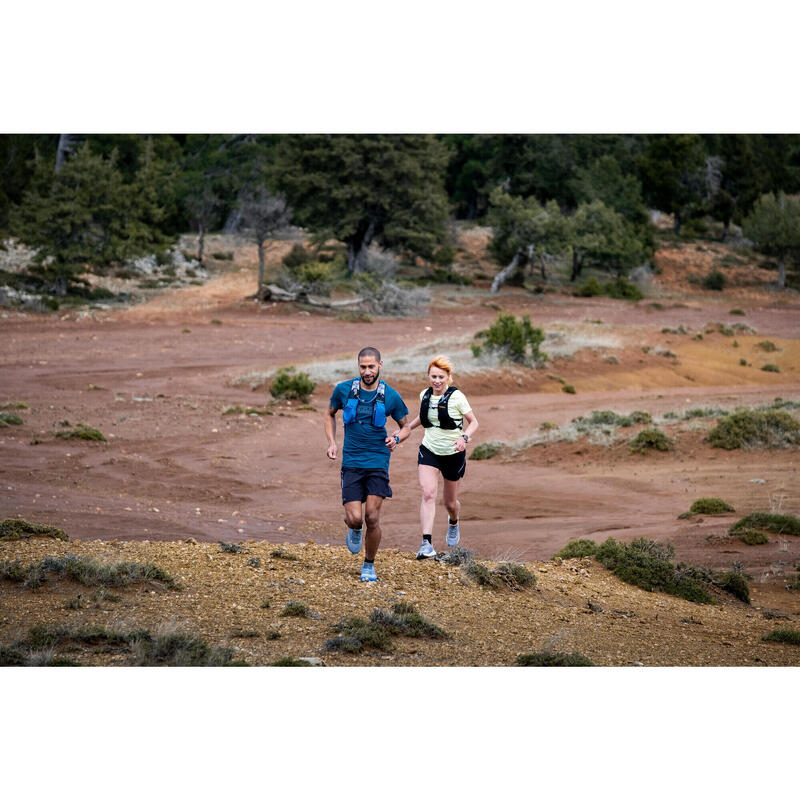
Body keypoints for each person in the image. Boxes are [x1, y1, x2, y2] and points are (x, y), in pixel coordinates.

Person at [324, 346, 410, 581]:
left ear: (380, 365)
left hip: (378, 462)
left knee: (372, 516)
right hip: (351, 461)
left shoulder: (390, 395)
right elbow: (329, 413)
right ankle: (353, 527)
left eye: (371, 366)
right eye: (363, 367)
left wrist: (396, 439)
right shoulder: (343, 390)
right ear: (358, 366)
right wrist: (332, 442)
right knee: (355, 518)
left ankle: (369, 565)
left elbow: (406, 426)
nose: (367, 371)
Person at [407, 355, 479, 559]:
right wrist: (405, 430)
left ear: (448, 377)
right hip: (429, 450)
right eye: (433, 376)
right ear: (428, 377)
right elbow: (423, 417)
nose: (436, 381)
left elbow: (473, 422)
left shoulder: (457, 397)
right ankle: (426, 543)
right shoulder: (425, 395)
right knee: (428, 493)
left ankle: (454, 521)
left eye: (441, 377)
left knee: (449, 503)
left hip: (453, 454)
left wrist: (464, 438)